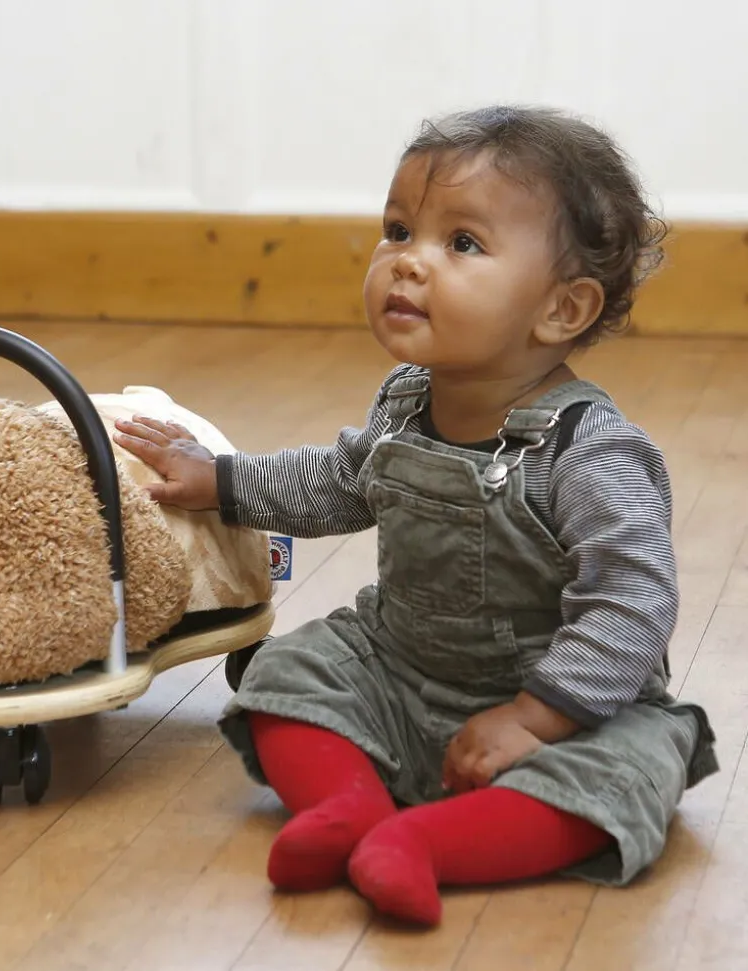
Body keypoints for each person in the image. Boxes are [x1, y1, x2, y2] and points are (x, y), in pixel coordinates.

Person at [112, 105, 719, 926]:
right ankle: (347, 809)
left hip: (562, 710)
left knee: (625, 773)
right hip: (401, 667)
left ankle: (428, 843)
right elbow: (337, 481)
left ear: (562, 310)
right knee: (283, 674)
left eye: (461, 243)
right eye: (398, 230)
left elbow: (633, 602)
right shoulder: (406, 402)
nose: (407, 261)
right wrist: (220, 480)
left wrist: (534, 718)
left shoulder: (591, 451)